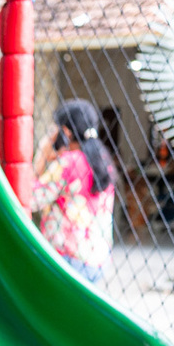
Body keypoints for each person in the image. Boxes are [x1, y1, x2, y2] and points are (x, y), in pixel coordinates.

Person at [28, 98, 116, 284]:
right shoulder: (104, 160)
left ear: (66, 132)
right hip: (98, 259)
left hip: (68, 259)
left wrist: (41, 154)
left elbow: (30, 198)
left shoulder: (68, 162)